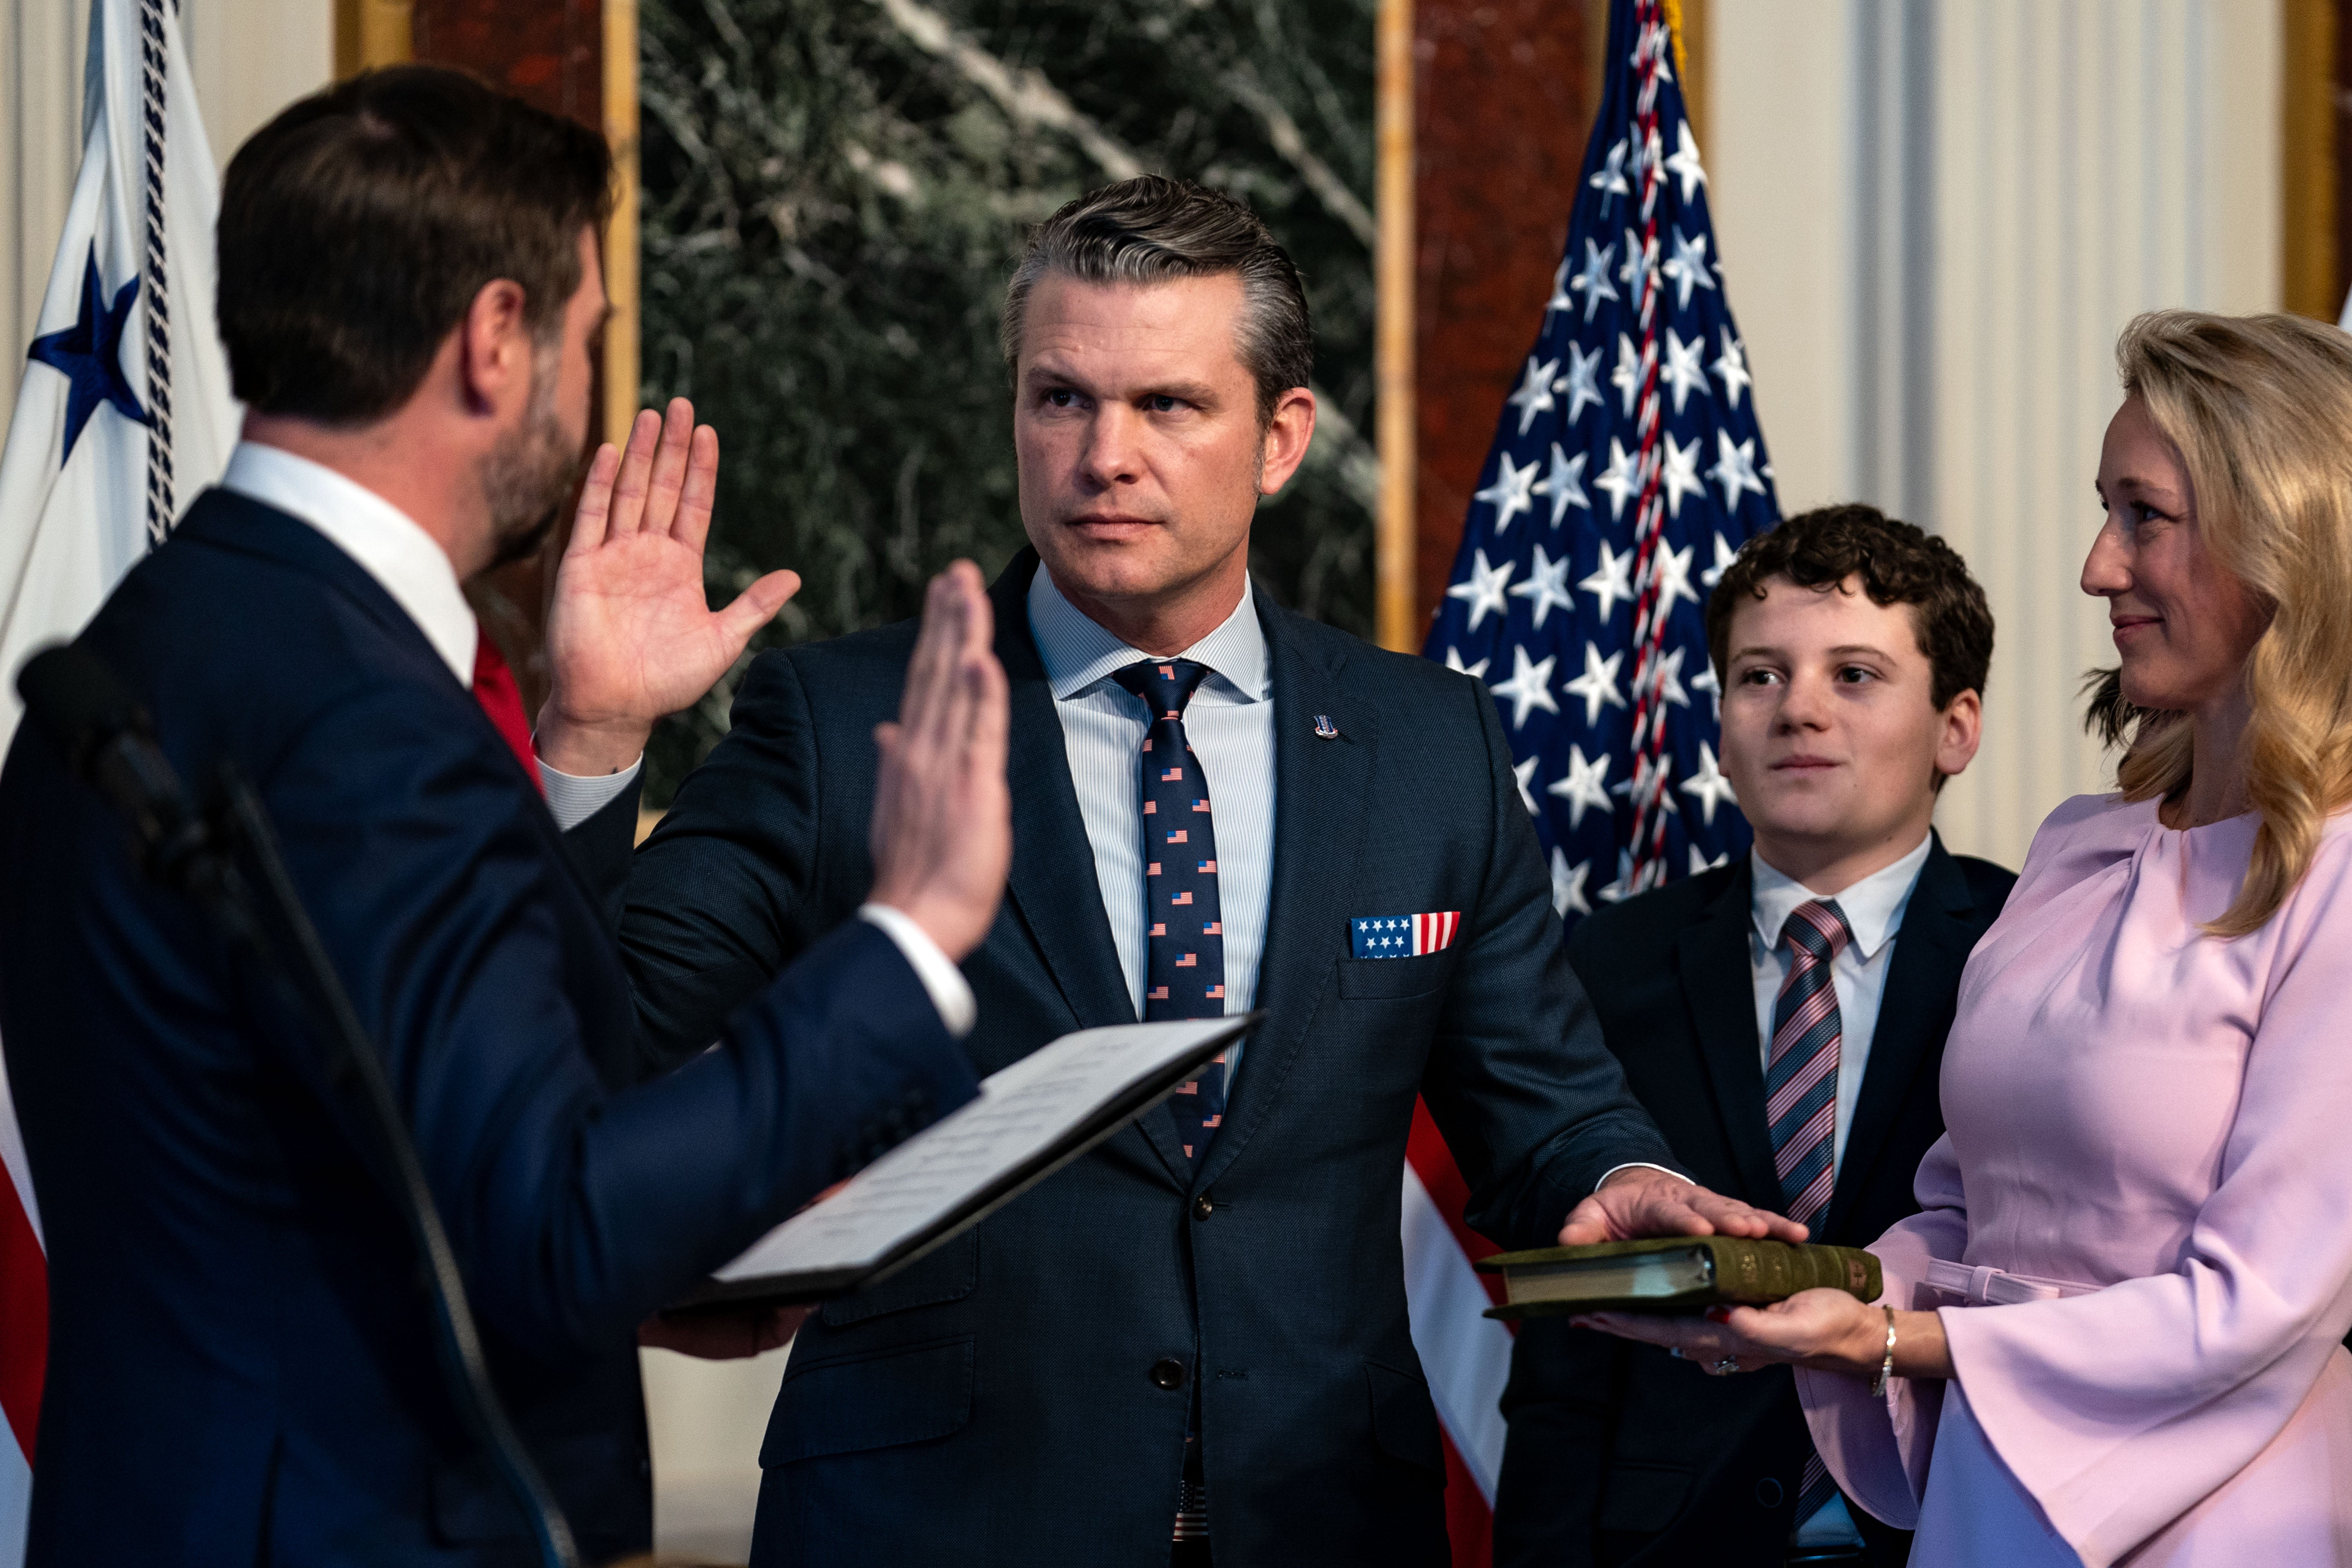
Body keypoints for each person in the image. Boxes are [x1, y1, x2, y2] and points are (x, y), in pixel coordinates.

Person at [540, 175, 1800, 1567]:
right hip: (938, 1523)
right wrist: (597, 736)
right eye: (1060, 399)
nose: (1103, 455)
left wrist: (1617, 1173)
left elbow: (1541, 1109)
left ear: (1281, 438)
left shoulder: (1428, 742)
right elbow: (593, 1049)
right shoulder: (847, 720)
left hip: (1324, 1517)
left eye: (1169, 407)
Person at [0, 67, 1011, 1566]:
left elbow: (367, 1142)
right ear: (493, 338)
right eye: (589, 333)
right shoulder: (356, 714)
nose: (590, 375)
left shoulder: (175, 632)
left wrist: (593, 737)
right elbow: (549, 1236)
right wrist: (912, 936)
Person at [1576, 310, 2352, 1567]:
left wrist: (1884, 1342)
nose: (2100, 566)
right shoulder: (2081, 847)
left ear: (2289, 534)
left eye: (2143, 516)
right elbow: (1962, 1214)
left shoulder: (2341, 879)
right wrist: (1790, 1294)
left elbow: (2254, 1306)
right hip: (1991, 1493)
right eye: (2108, 512)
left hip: (2220, 1510)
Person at [1494, 505, 2014, 1568]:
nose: (1799, 712)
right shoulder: (1607, 964)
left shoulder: (2034, 949)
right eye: (1760, 676)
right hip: (1671, 1539)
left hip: (1950, 1521)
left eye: (1856, 676)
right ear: (1721, 719)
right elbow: (1567, 1351)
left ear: (1956, 726)